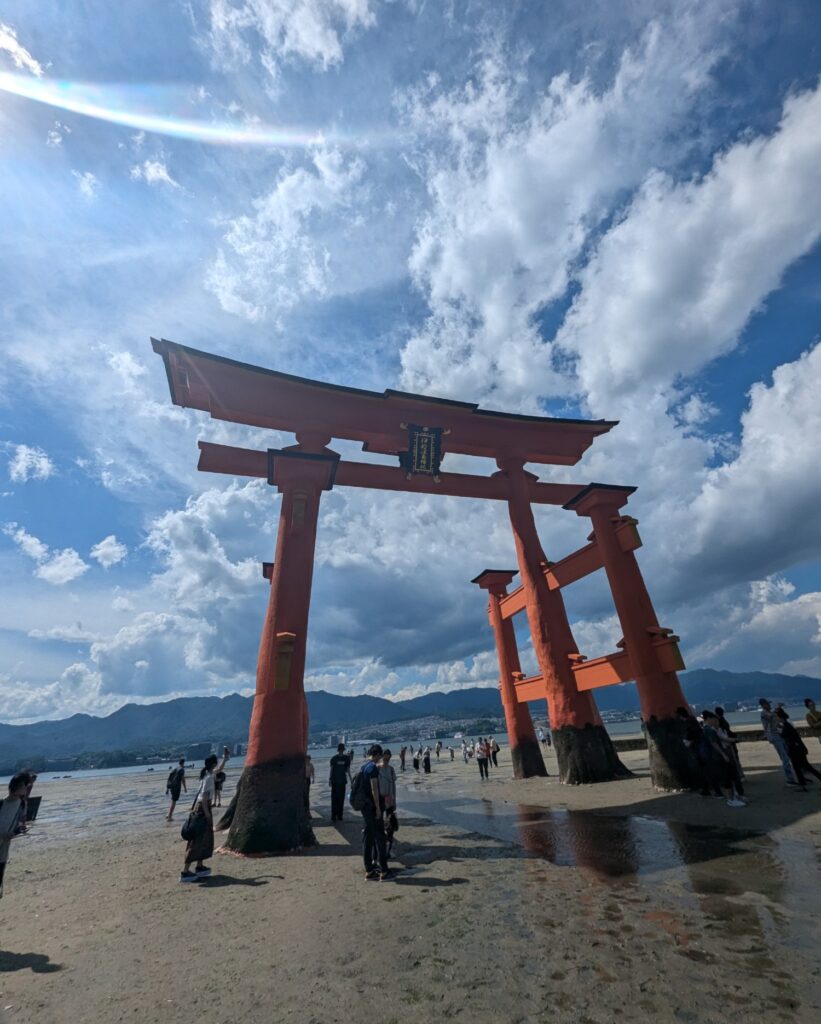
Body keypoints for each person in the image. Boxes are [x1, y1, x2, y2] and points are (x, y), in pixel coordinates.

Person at [180, 750, 228, 882]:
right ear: (212, 764)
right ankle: (185, 871)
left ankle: (199, 866)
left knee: (204, 838)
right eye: (216, 762)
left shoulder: (207, 774)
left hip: (202, 809)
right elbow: (204, 797)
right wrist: (207, 814)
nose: (217, 764)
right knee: (197, 840)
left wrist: (225, 758)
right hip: (202, 809)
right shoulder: (208, 778)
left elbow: (219, 769)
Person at [701, 711, 745, 806]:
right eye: (713, 719)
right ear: (709, 719)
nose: (715, 721)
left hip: (715, 756)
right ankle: (731, 799)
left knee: (727, 776)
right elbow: (714, 743)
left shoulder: (706, 729)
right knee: (726, 777)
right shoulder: (709, 730)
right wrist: (723, 754)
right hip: (717, 756)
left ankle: (733, 797)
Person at [360, 745, 391, 880]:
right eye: (380, 755)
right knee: (380, 838)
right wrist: (378, 808)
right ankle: (383, 870)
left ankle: (368, 869)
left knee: (367, 837)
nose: (381, 758)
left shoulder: (364, 767)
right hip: (373, 807)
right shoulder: (372, 768)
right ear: (377, 754)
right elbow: (374, 789)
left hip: (365, 808)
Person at [776, 708, 821, 791]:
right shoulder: (788, 724)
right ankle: (803, 785)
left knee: (801, 767)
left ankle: (803, 785)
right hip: (798, 748)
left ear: (779, 718)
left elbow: (784, 736)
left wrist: (779, 730)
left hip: (795, 749)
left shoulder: (786, 726)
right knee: (803, 766)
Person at [0, 774, 29, 899]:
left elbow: (20, 824)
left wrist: (20, 830)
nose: (25, 789)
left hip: (3, 849)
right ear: (15, 787)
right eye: (23, 786)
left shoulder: (22, 804)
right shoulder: (1, 804)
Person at [760, 698, 798, 785]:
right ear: (763, 705)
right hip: (774, 737)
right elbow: (770, 717)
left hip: (780, 736)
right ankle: (789, 780)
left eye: (769, 704)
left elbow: (779, 721)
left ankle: (790, 777)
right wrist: (777, 709)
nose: (769, 705)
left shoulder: (771, 713)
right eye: (767, 704)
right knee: (785, 758)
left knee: (787, 755)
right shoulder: (764, 713)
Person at [378, 750, 398, 857]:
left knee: (390, 827)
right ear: (382, 757)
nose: (387, 760)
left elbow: (393, 786)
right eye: (385, 758)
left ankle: (388, 851)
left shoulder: (391, 770)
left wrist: (394, 801)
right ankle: (380, 850)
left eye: (388, 758)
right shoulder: (377, 769)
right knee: (379, 826)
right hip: (380, 800)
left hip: (389, 800)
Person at [329, 743, 352, 821]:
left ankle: (340, 815)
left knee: (341, 799)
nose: (341, 751)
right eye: (340, 750)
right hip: (334, 781)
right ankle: (333, 815)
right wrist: (330, 779)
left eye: (342, 750)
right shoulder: (333, 759)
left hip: (342, 781)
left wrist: (351, 779)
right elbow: (331, 769)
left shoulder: (347, 758)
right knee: (334, 798)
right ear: (338, 750)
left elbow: (348, 769)